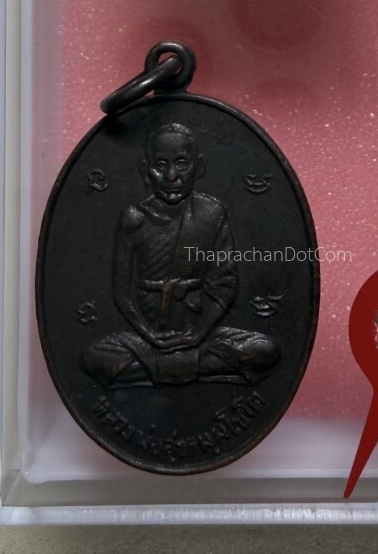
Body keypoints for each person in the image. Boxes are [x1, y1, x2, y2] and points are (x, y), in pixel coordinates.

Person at [81, 122, 279, 387]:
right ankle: (191, 368)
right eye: (160, 165)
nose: (171, 176)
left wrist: (198, 334)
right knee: (93, 358)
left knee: (264, 350)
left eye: (182, 164)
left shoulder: (211, 214)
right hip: (145, 339)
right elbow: (121, 294)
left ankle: (161, 369)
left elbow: (225, 284)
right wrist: (150, 336)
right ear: (145, 168)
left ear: (199, 167)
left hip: (200, 334)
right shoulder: (134, 218)